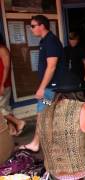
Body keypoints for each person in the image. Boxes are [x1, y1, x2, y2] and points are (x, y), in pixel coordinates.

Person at [19, 15, 64, 152]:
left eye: (33, 26)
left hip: (50, 87)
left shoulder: (50, 41)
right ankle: (49, 143)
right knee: (48, 113)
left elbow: (51, 66)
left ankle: (35, 143)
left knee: (42, 113)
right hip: (50, 87)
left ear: (41, 26)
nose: (31, 29)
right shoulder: (45, 41)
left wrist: (41, 88)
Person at [0, 34, 25, 136]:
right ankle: (12, 129)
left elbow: (6, 67)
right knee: (4, 108)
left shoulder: (2, 49)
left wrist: (2, 84)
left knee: (1, 109)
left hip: (3, 84)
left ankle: (19, 122)